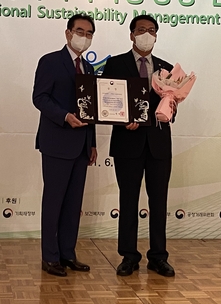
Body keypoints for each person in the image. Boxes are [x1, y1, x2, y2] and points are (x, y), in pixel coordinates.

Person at [102, 14, 176, 277]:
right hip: (127, 143)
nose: (147, 34)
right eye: (142, 29)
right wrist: (122, 120)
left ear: (156, 36)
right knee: (128, 200)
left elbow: (172, 105)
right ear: (131, 34)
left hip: (158, 144)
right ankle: (129, 256)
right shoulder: (115, 64)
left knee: (159, 201)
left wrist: (170, 110)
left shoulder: (166, 69)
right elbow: (107, 101)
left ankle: (158, 257)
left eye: (152, 30)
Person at [32, 14, 98, 277]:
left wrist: (92, 143)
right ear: (68, 33)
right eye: (80, 31)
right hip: (57, 142)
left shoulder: (89, 68)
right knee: (54, 202)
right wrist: (64, 116)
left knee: (73, 204)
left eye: (89, 33)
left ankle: (68, 254)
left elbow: (91, 109)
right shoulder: (50, 61)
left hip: (81, 145)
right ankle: (50, 257)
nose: (84, 37)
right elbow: (40, 98)